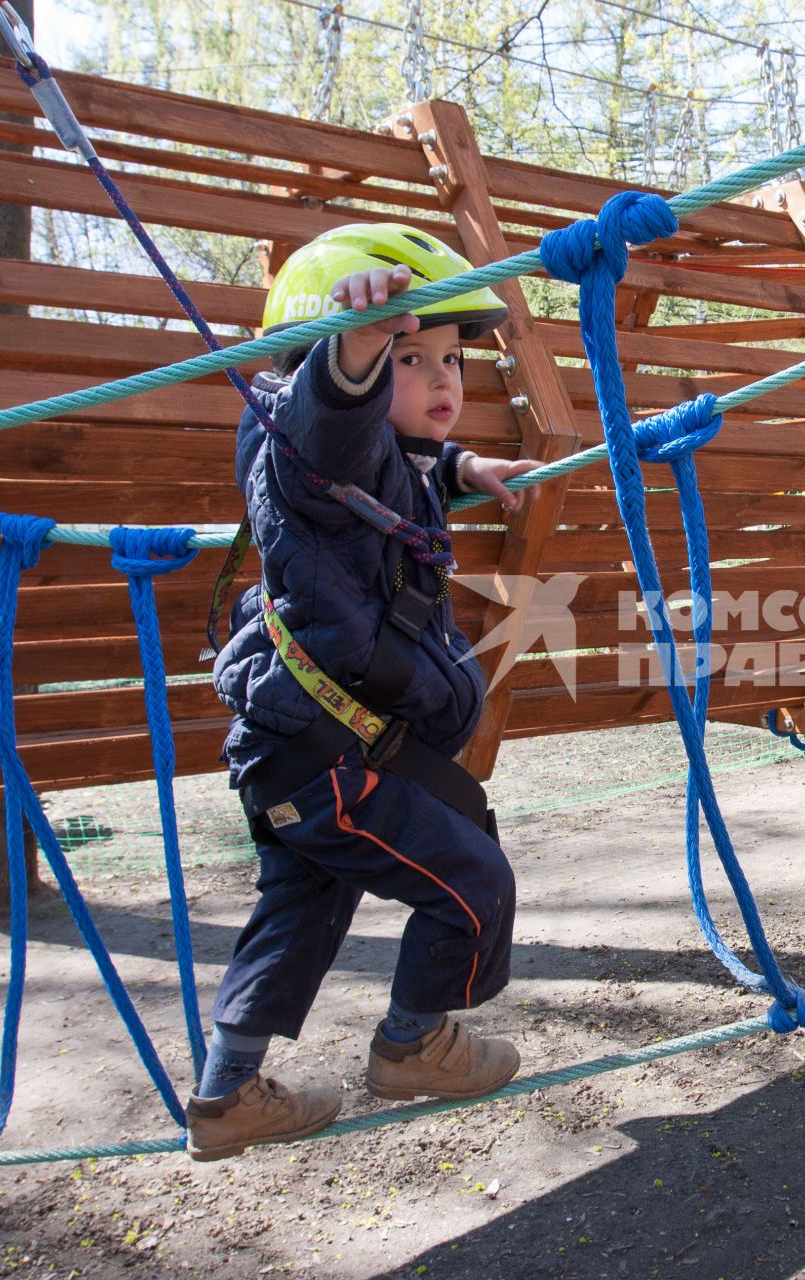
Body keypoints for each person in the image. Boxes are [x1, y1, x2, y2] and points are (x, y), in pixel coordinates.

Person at [187, 224, 540, 1162]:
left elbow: (406, 464)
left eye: (449, 358)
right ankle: (413, 1044)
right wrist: (358, 349)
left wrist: (470, 468)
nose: (440, 379)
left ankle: (225, 1098)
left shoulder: (385, 466)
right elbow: (334, 428)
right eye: (409, 357)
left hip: (307, 756)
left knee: (300, 914)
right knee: (474, 883)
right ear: (322, 364)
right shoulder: (311, 452)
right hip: (331, 758)